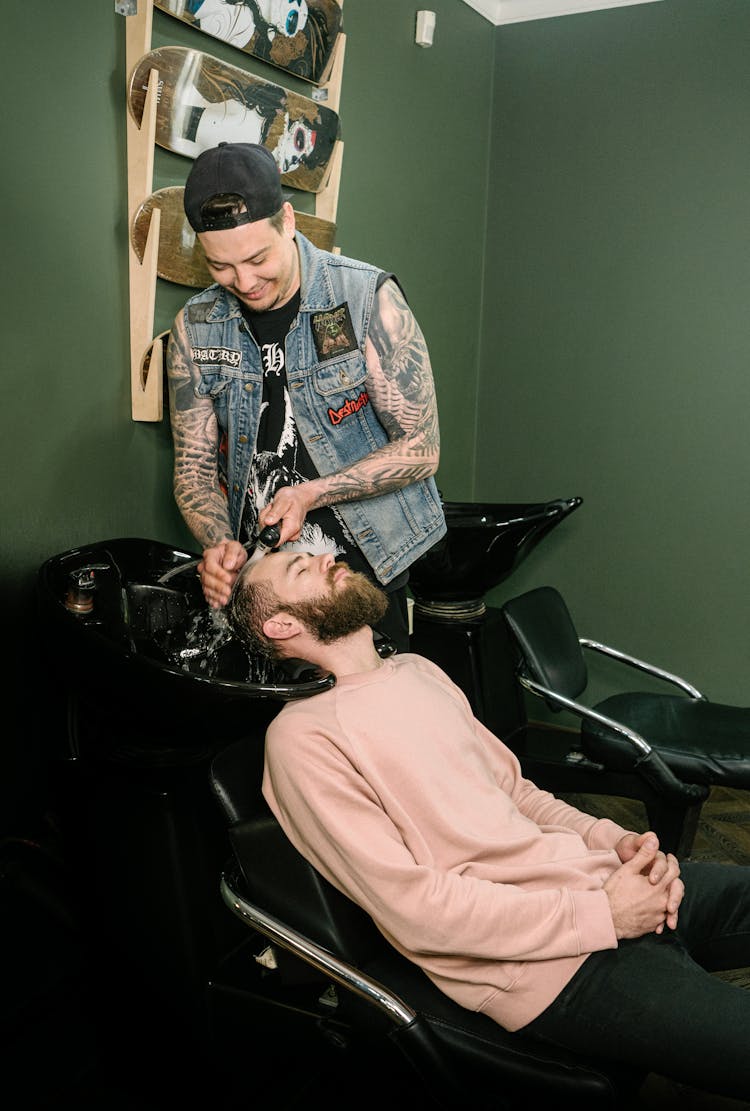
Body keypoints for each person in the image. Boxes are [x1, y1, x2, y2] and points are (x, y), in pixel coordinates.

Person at [226, 546, 750, 1103]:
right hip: (545, 968)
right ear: (280, 624)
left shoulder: (416, 671)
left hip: (597, 884)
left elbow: (516, 792)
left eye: (318, 554)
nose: (328, 558)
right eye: (302, 569)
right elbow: (417, 911)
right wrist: (604, 914)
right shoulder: (301, 741)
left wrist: (610, 840)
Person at [166, 141, 446, 653]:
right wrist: (218, 545)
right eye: (220, 267)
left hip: (365, 566)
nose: (244, 282)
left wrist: (313, 493)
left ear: (288, 220)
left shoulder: (366, 300)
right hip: (267, 582)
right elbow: (194, 471)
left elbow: (421, 448)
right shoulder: (196, 328)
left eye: (257, 258)